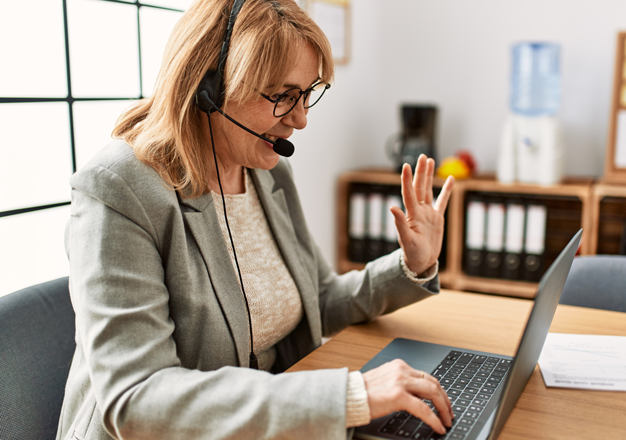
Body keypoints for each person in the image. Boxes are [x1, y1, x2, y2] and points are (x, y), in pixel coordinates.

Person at [57, 1, 455, 439]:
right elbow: (136, 399)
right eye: (282, 96)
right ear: (209, 85)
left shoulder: (267, 173)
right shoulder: (118, 189)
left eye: (306, 94)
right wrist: (346, 396)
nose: (300, 120)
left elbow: (317, 299)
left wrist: (411, 265)